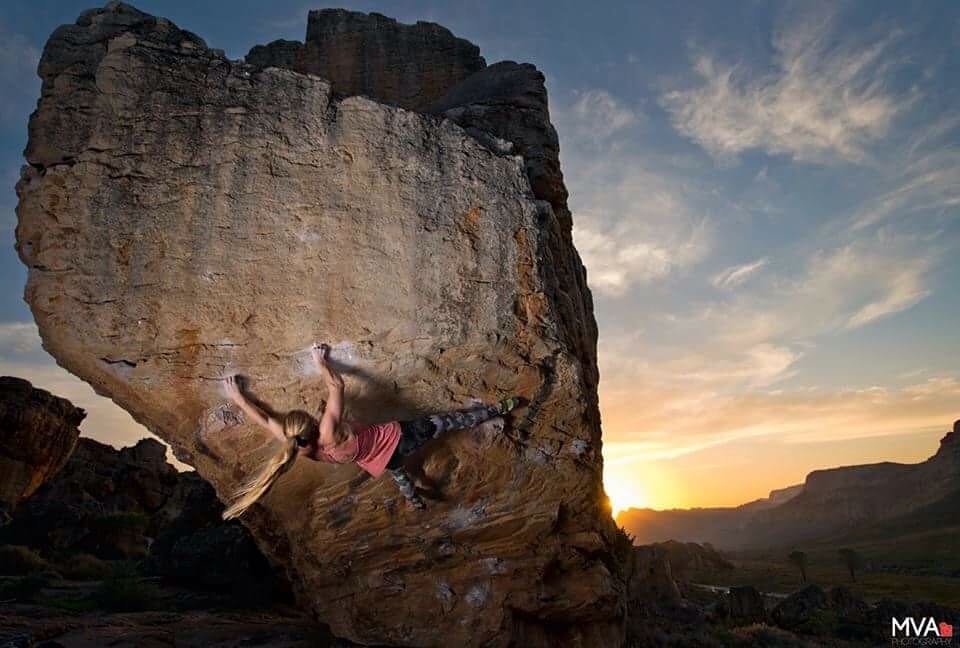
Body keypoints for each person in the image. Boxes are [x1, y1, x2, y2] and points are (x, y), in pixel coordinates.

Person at [220, 342, 521, 519]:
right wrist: (320, 361)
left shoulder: (297, 448)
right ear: (312, 424)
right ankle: (496, 410)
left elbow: (263, 420)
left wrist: (238, 398)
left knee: (400, 474)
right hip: (398, 438)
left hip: (378, 460)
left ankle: (414, 501)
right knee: (448, 422)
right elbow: (336, 385)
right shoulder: (326, 430)